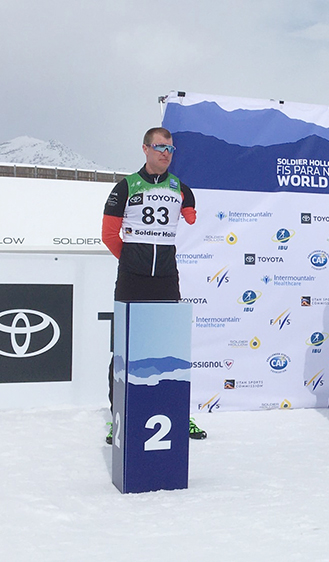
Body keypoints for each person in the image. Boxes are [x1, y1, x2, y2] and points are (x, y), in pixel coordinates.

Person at [101, 127, 206, 442]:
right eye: (160, 147)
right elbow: (109, 235)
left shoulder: (181, 189)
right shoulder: (125, 187)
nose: (166, 154)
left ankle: (176, 414)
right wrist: (131, 261)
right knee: (125, 349)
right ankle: (117, 416)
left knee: (171, 350)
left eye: (171, 149)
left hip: (165, 278)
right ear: (145, 148)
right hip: (133, 279)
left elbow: (191, 218)